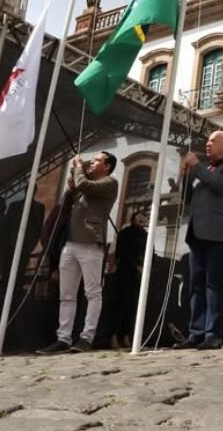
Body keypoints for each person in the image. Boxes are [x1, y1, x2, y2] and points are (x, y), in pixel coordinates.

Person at [39, 151, 119, 354]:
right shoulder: (84, 182)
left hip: (91, 242)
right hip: (71, 242)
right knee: (67, 294)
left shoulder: (109, 183)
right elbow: (68, 200)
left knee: (92, 292)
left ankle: (87, 337)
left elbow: (84, 184)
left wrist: (77, 167)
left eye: (98, 160)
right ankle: (63, 337)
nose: (92, 162)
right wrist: (72, 184)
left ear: (107, 166)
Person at [174, 131, 223, 351]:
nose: (208, 144)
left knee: (214, 284)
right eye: (207, 141)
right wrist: (186, 175)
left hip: (219, 234)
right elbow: (187, 198)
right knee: (195, 284)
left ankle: (213, 333)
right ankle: (196, 332)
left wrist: (196, 166)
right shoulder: (205, 170)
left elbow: (222, 185)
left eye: (213, 141)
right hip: (198, 234)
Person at [103, 210, 148, 349]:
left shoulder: (146, 235)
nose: (142, 219)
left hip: (139, 274)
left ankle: (127, 335)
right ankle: (114, 336)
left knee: (132, 306)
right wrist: (135, 265)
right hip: (125, 273)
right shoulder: (126, 233)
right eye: (139, 217)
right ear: (133, 218)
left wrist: (144, 266)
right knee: (121, 304)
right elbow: (123, 252)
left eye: (144, 218)